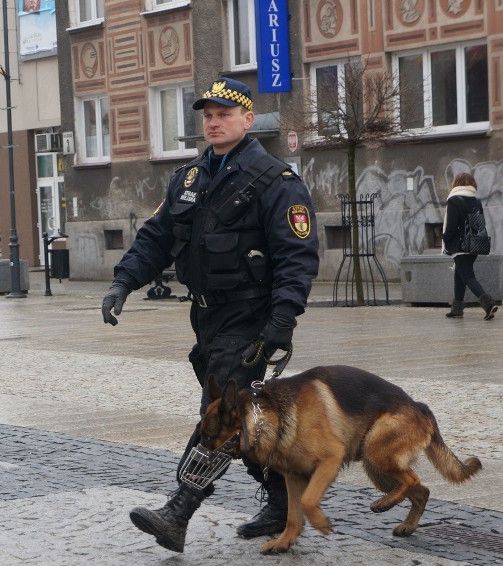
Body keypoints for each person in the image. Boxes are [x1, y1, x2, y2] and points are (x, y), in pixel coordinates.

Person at [101, 77, 319, 553]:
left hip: (250, 317)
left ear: (247, 119)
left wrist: (282, 319)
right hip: (206, 319)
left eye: (224, 114)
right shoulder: (190, 177)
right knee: (245, 417)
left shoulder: (274, 181)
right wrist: (124, 281)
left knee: (219, 416)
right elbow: (157, 237)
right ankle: (283, 502)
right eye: (208, 115)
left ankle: (179, 509)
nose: (214, 122)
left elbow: (297, 256)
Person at [442, 172, 497, 320]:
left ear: (456, 183)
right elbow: (479, 224)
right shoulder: (476, 201)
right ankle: (457, 309)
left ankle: (488, 304)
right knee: (459, 276)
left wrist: (445, 238)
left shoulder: (454, 200)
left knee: (467, 276)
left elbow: (451, 226)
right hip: (474, 245)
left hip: (459, 246)